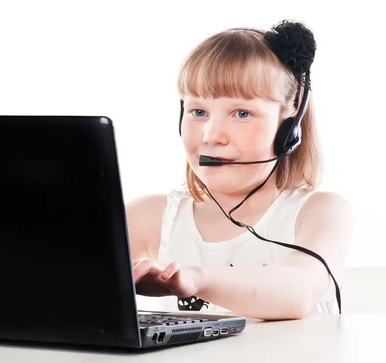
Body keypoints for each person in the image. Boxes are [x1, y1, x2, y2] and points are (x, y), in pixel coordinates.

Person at [126, 20, 353, 320]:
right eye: (198, 112)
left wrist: (199, 280)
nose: (211, 135)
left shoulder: (320, 211)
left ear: (289, 127)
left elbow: (299, 290)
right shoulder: (151, 216)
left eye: (242, 113)